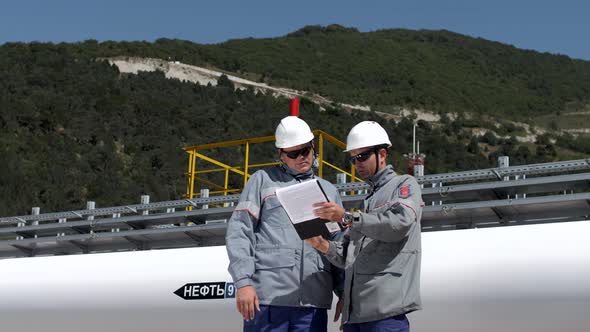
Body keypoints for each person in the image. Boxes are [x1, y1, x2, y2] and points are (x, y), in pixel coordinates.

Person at [226, 116, 344, 332]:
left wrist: (344, 294)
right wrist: (243, 282)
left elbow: (338, 245)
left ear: (313, 148)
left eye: (306, 151)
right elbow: (240, 231)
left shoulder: (329, 191)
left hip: (313, 302)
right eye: (293, 153)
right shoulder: (262, 181)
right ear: (281, 154)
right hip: (268, 300)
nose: (301, 157)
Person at [306, 121, 423, 332]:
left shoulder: (404, 185)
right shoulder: (366, 203)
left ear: (383, 154)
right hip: (356, 316)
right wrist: (321, 244)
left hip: (385, 313)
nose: (357, 163)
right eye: (353, 158)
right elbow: (348, 257)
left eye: (362, 156)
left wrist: (349, 218)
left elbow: (400, 223)